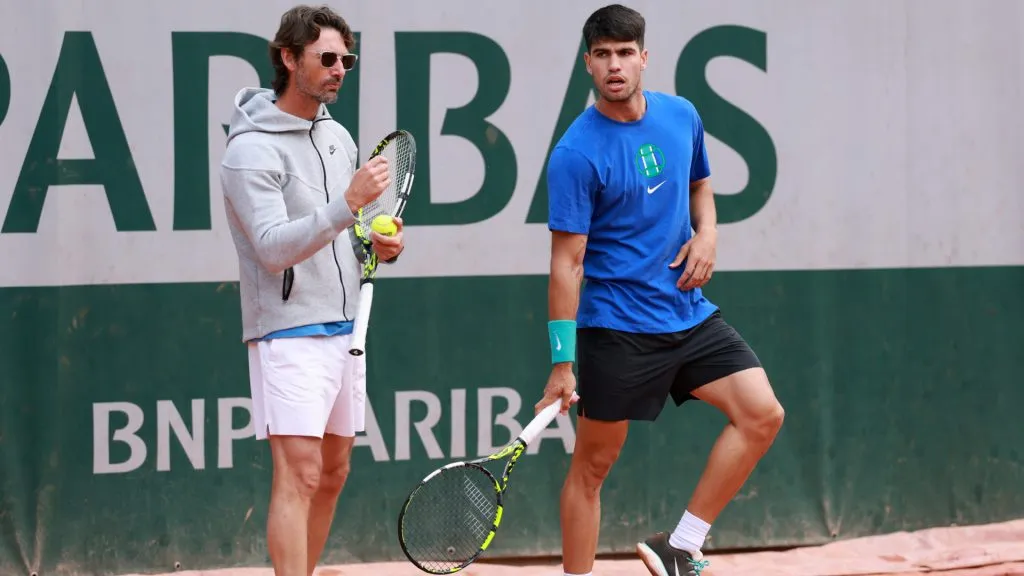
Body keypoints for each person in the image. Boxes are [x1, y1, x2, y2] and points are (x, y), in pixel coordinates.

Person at [535, 4, 785, 576]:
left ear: (644, 58)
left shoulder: (681, 115)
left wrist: (709, 234)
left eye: (625, 53)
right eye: (603, 55)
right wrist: (561, 363)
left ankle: (682, 543)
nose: (615, 66)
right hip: (618, 328)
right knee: (592, 470)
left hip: (689, 315)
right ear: (588, 65)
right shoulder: (575, 154)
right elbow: (566, 264)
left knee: (762, 415)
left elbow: (701, 184)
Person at [219, 5, 404, 576]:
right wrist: (346, 205)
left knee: (333, 472)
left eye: (346, 59)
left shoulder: (338, 136)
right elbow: (273, 248)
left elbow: (348, 233)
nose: (338, 69)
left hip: (347, 328)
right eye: (325, 58)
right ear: (288, 57)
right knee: (297, 473)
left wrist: (376, 239)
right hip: (287, 330)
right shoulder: (249, 151)